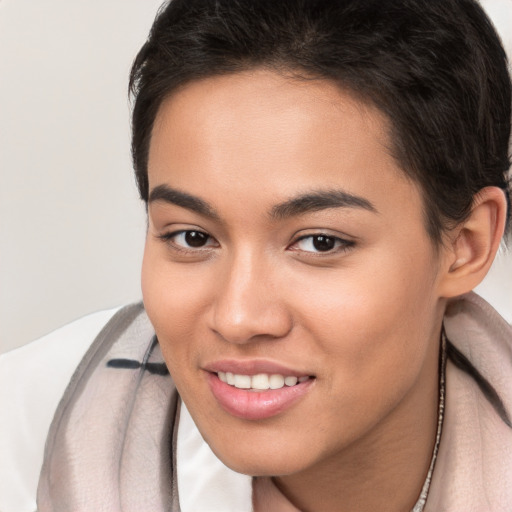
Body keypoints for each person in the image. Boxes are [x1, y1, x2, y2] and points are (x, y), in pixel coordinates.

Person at [1, 0, 511, 510]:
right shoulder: (21, 446)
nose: (239, 318)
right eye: (192, 238)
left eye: (320, 242)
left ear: (466, 247)